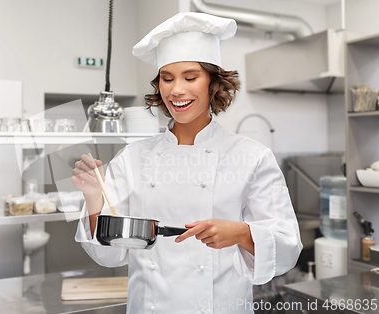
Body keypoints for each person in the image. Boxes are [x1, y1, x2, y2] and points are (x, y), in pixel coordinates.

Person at [72, 12, 302, 314]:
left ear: (213, 84)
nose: (176, 90)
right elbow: (110, 255)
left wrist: (241, 233)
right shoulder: (134, 156)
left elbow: (286, 247)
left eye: (190, 77)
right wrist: (93, 198)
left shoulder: (251, 156)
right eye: (167, 79)